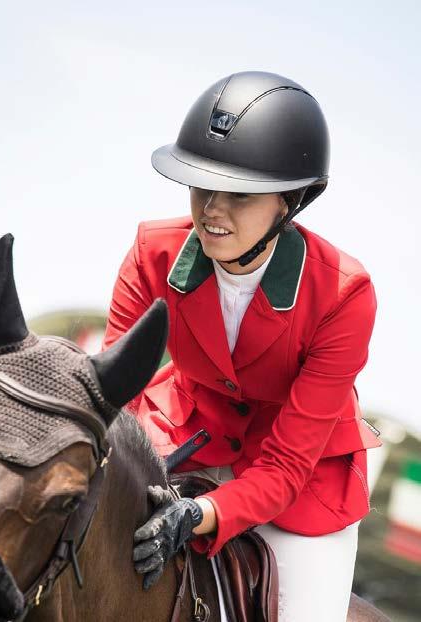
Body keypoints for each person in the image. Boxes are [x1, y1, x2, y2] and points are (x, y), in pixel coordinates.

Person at [101, 71, 382, 621]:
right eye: (201, 186)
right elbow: (111, 395)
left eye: (239, 194)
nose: (211, 209)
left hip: (301, 483)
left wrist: (198, 514)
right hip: (184, 437)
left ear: (289, 202)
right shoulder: (152, 251)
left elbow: (286, 465)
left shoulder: (345, 294)